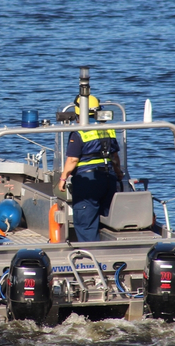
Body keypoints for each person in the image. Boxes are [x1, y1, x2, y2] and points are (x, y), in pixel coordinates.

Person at [57, 95, 124, 242]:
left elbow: (73, 159)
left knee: (86, 224)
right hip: (109, 179)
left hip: (88, 182)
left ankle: (91, 259)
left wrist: (63, 178)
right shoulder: (108, 129)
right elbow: (115, 157)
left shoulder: (79, 132)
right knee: (105, 219)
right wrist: (118, 174)